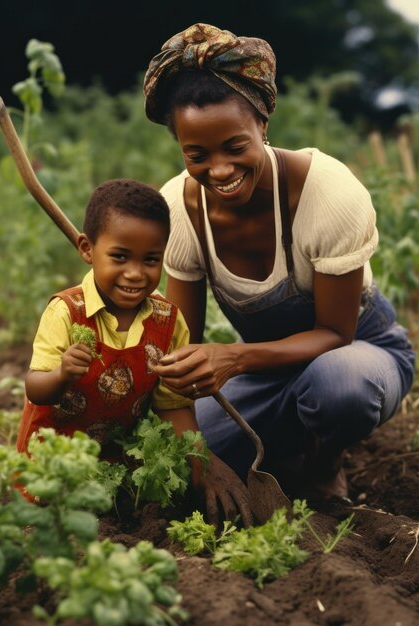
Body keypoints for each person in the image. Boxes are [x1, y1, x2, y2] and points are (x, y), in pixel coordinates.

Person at [143, 23, 416, 505]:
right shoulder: (179, 210)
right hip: (269, 372)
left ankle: (325, 461)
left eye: (235, 147)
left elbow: (336, 333)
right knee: (179, 444)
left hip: (357, 351)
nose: (220, 170)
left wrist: (232, 357)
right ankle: (285, 440)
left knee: (339, 389)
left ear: (263, 125)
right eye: (197, 155)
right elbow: (182, 338)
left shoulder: (326, 193)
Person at [16, 178, 252, 524]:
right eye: (119, 257)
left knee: (125, 514)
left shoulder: (168, 322)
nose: (135, 274)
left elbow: (174, 408)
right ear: (86, 249)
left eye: (150, 260)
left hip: (118, 469)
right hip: (52, 462)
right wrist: (62, 374)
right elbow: (35, 389)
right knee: (53, 521)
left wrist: (202, 468)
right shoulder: (67, 312)